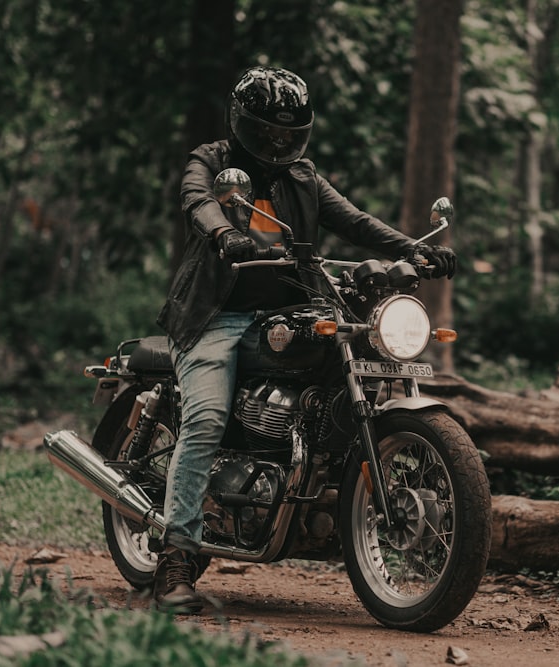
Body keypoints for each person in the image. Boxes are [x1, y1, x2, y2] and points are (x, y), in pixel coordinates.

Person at [152, 65, 457, 613]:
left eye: (291, 133)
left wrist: (415, 248)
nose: (279, 142)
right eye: (269, 130)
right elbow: (198, 201)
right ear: (242, 123)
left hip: (292, 309)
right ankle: (176, 557)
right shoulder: (213, 161)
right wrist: (225, 234)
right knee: (204, 420)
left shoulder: (303, 178)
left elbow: (356, 222)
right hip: (214, 317)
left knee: (345, 372)